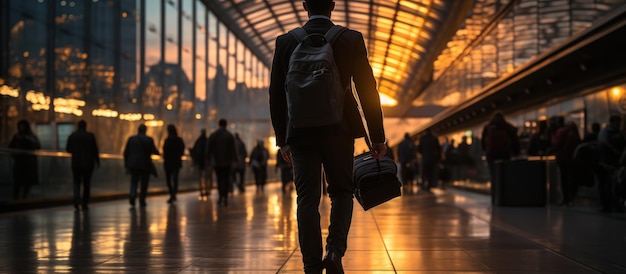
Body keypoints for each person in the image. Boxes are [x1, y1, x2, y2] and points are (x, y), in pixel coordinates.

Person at [268, 1, 387, 272]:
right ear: (333, 5)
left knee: (306, 199)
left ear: (304, 6)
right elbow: (368, 89)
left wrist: (282, 138)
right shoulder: (350, 39)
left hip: (300, 133)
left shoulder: (285, 42)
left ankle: (311, 264)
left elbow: (275, 95)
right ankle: (334, 252)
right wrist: (377, 137)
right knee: (342, 192)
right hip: (339, 130)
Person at [481, 112, 520, 203]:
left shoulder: (488, 127)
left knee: (493, 175)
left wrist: (485, 151)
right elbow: (515, 140)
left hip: (491, 155)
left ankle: (495, 198)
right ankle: (504, 197)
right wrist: (516, 152)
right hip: (504, 154)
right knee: (504, 176)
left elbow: (483, 142)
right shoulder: (506, 127)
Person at [66, 120, 100, 210]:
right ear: (85, 126)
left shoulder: (73, 136)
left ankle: (76, 200)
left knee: (76, 182)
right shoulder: (90, 136)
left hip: (76, 163)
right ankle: (85, 202)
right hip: (88, 164)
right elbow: (95, 150)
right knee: (86, 183)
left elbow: (68, 149)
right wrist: (97, 161)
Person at [123, 124, 159, 207]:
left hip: (133, 164)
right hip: (145, 165)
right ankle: (142, 199)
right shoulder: (149, 140)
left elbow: (126, 152)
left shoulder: (131, 139)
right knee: (144, 183)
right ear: (145, 130)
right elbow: (154, 151)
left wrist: (126, 164)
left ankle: (132, 195)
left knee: (134, 181)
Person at [597, 115, 625, 212]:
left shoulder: (605, 133)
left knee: (612, 185)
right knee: (608, 185)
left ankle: (611, 204)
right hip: (608, 163)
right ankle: (608, 204)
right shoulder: (608, 133)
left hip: (612, 163)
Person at [206, 119, 238, 206]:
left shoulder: (214, 135)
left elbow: (209, 149)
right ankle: (225, 198)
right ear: (226, 125)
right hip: (227, 162)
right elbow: (233, 150)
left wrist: (208, 159)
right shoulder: (229, 136)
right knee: (226, 179)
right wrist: (235, 160)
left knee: (219, 179)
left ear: (219, 124)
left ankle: (220, 197)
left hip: (217, 162)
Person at [8, 119, 41, 199]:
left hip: (27, 164)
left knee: (26, 184)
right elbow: (10, 147)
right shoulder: (17, 137)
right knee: (17, 184)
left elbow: (37, 146)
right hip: (20, 163)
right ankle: (17, 199)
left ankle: (23, 199)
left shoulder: (30, 137)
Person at [553, 121, 582, 206]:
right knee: (572, 179)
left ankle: (566, 198)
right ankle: (571, 198)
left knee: (564, 179)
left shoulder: (562, 133)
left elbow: (557, 143)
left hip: (564, 159)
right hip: (572, 160)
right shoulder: (575, 136)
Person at [162, 124, 185, 204]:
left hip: (168, 162)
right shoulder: (179, 140)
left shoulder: (167, 140)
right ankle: (174, 194)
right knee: (175, 179)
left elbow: (164, 150)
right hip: (176, 162)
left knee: (168, 179)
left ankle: (172, 194)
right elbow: (182, 151)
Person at [191, 129, 211, 197]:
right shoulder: (207, 141)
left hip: (199, 161)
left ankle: (201, 190)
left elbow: (194, 151)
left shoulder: (198, 141)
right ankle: (207, 190)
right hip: (206, 161)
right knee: (207, 176)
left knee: (200, 177)